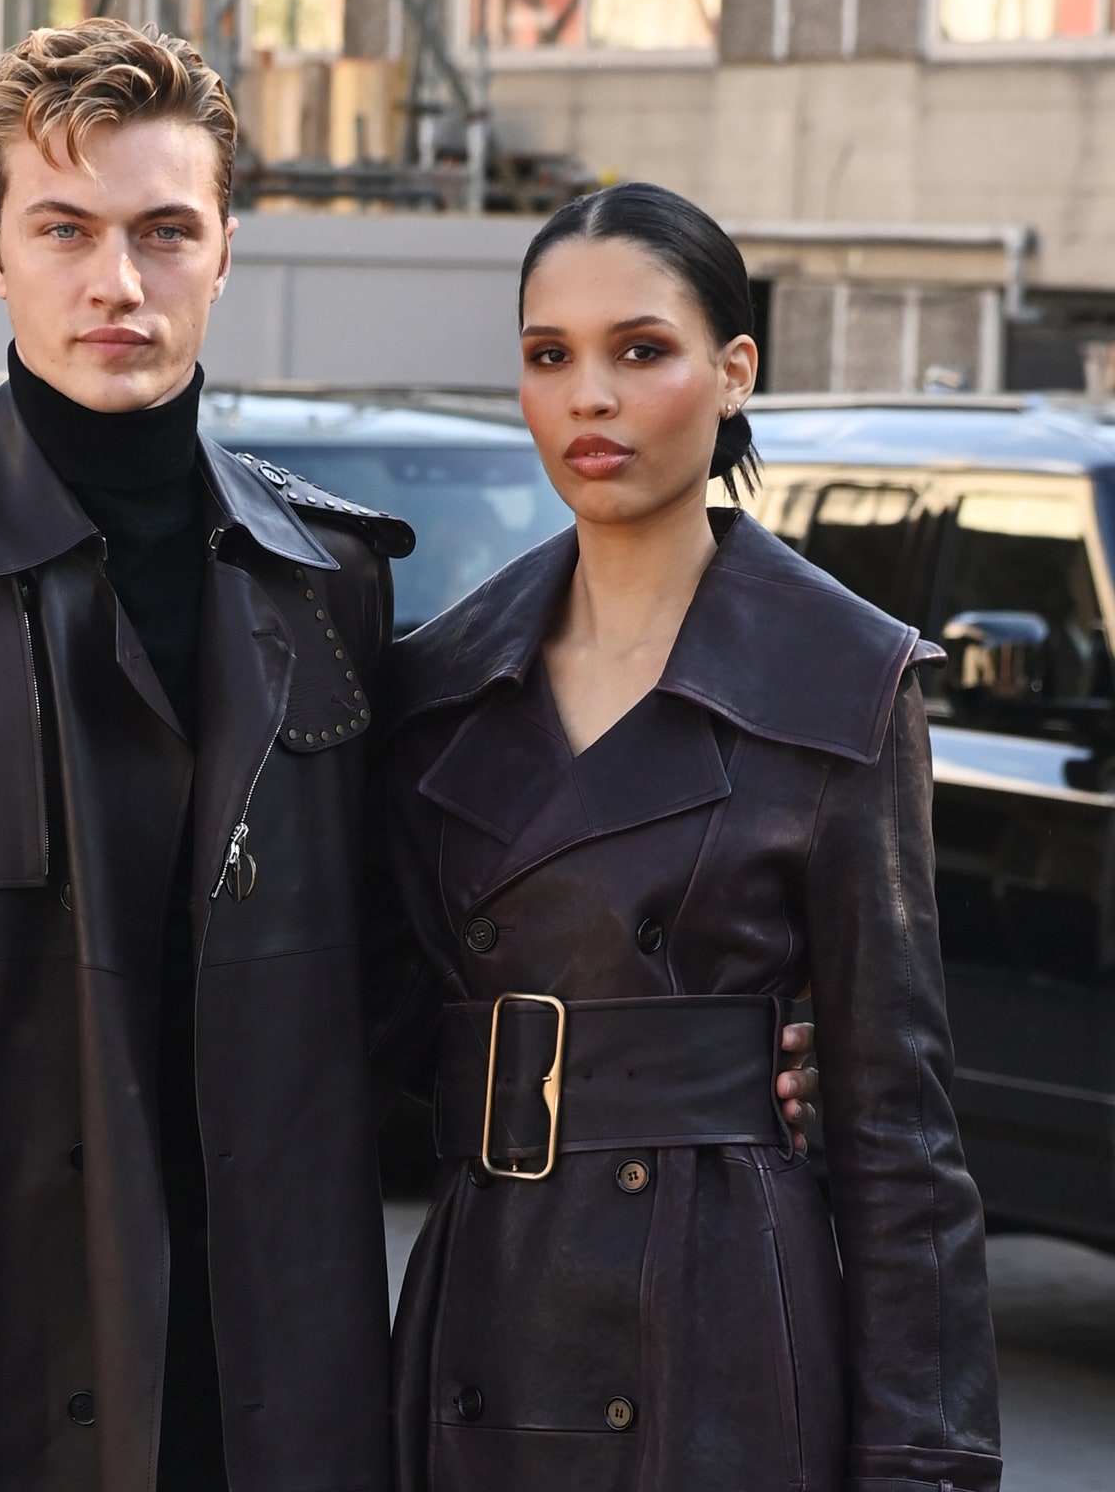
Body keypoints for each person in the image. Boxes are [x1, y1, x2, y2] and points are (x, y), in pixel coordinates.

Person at [0, 24, 817, 1492]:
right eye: (67, 230)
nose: (117, 282)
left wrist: (705, 1061)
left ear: (225, 251)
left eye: (165, 232)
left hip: (287, 1396)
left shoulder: (324, 584)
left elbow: (416, 980)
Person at [382, 183, 1002, 1492]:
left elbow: (904, 1134)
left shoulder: (839, 679)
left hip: (715, 1328)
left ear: (734, 372)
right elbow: (361, 1026)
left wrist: (923, 1466)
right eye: (551, 357)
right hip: (487, 1308)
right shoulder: (436, 687)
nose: (589, 397)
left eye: (640, 350)